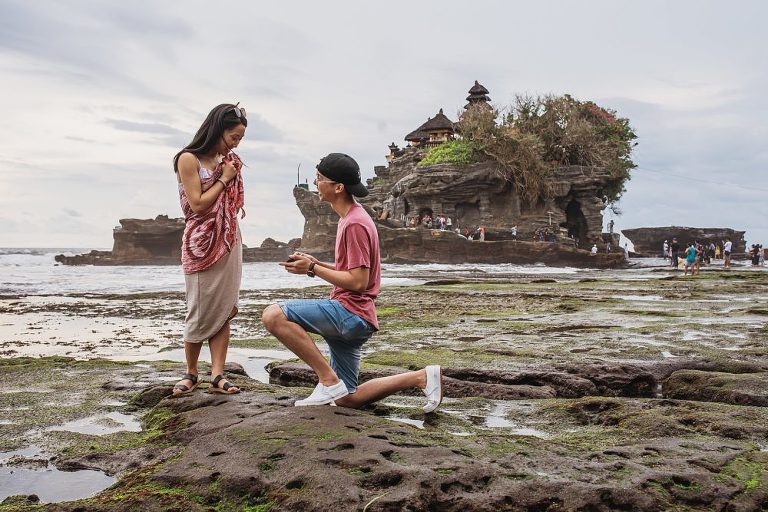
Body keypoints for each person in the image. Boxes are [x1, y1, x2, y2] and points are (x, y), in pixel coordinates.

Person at [262, 153, 443, 411]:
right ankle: (420, 377)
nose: (316, 183)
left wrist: (312, 268)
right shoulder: (351, 218)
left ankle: (327, 379)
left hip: (350, 313)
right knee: (347, 398)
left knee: (273, 315)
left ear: (338, 187)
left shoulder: (355, 223)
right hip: (357, 316)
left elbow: (358, 282)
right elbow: (354, 271)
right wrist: (316, 264)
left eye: (320, 179)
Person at [171, 103, 247, 396]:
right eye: (234, 136)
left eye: (240, 138)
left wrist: (227, 172)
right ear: (217, 129)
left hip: (229, 238)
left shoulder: (228, 160)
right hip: (201, 241)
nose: (237, 143)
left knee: (225, 308)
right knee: (199, 307)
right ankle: (191, 372)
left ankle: (217, 373)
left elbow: (232, 202)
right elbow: (198, 204)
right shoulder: (188, 159)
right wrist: (224, 178)